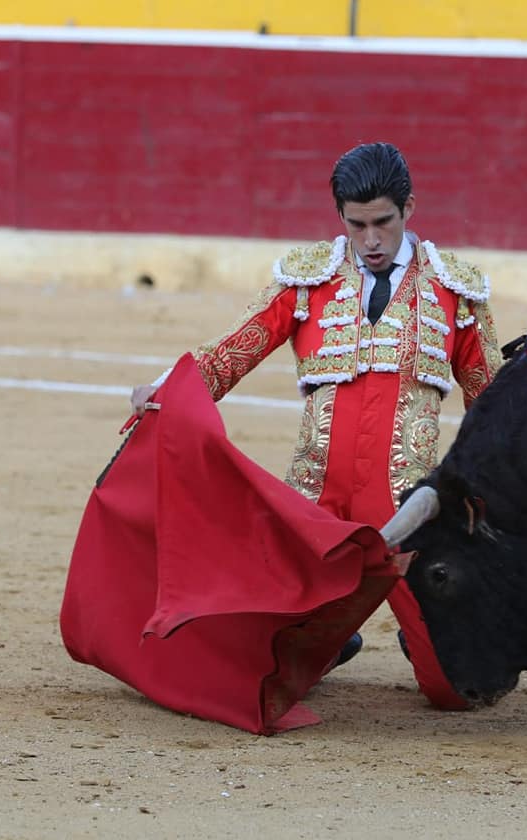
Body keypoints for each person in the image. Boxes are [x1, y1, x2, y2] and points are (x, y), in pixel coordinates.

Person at [129, 141, 504, 709]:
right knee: (251, 668)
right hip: (313, 507)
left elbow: (493, 404)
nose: (371, 241)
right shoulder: (309, 280)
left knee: (456, 690)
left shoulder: (456, 292)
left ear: (409, 209)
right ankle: (333, 633)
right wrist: (164, 389)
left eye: (383, 222)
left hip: (411, 511)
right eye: (357, 225)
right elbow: (232, 351)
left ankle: (423, 634)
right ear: (341, 219)